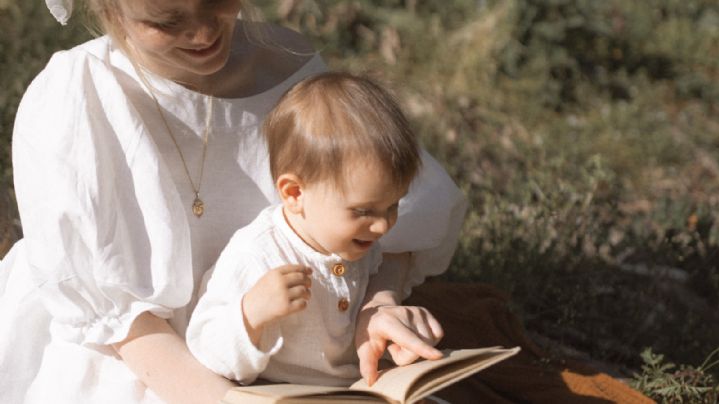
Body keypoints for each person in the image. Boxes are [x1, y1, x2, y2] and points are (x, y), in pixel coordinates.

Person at [0, 1, 466, 403]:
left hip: (300, 348)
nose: (203, 32)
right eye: (165, 21)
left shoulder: (288, 68)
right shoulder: (79, 103)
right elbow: (124, 325)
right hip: (149, 358)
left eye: (217, 0)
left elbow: (390, 217)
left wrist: (374, 308)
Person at [185, 71, 444, 387]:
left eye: (393, 207)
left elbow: (375, 280)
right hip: (281, 392)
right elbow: (205, 346)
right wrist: (251, 313)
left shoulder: (356, 241)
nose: (382, 225)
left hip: (353, 387)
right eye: (363, 211)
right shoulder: (258, 254)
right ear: (294, 194)